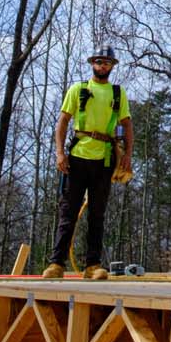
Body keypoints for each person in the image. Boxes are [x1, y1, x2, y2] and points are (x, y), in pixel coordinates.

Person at [44, 45, 134, 280]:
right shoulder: (79, 89)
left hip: (104, 157)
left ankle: (92, 265)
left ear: (112, 66)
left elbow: (127, 124)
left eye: (107, 63)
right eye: (99, 62)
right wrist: (60, 153)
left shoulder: (118, 93)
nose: (103, 66)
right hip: (78, 156)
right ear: (92, 63)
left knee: (97, 213)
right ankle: (56, 264)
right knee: (69, 211)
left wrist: (127, 155)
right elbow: (63, 121)